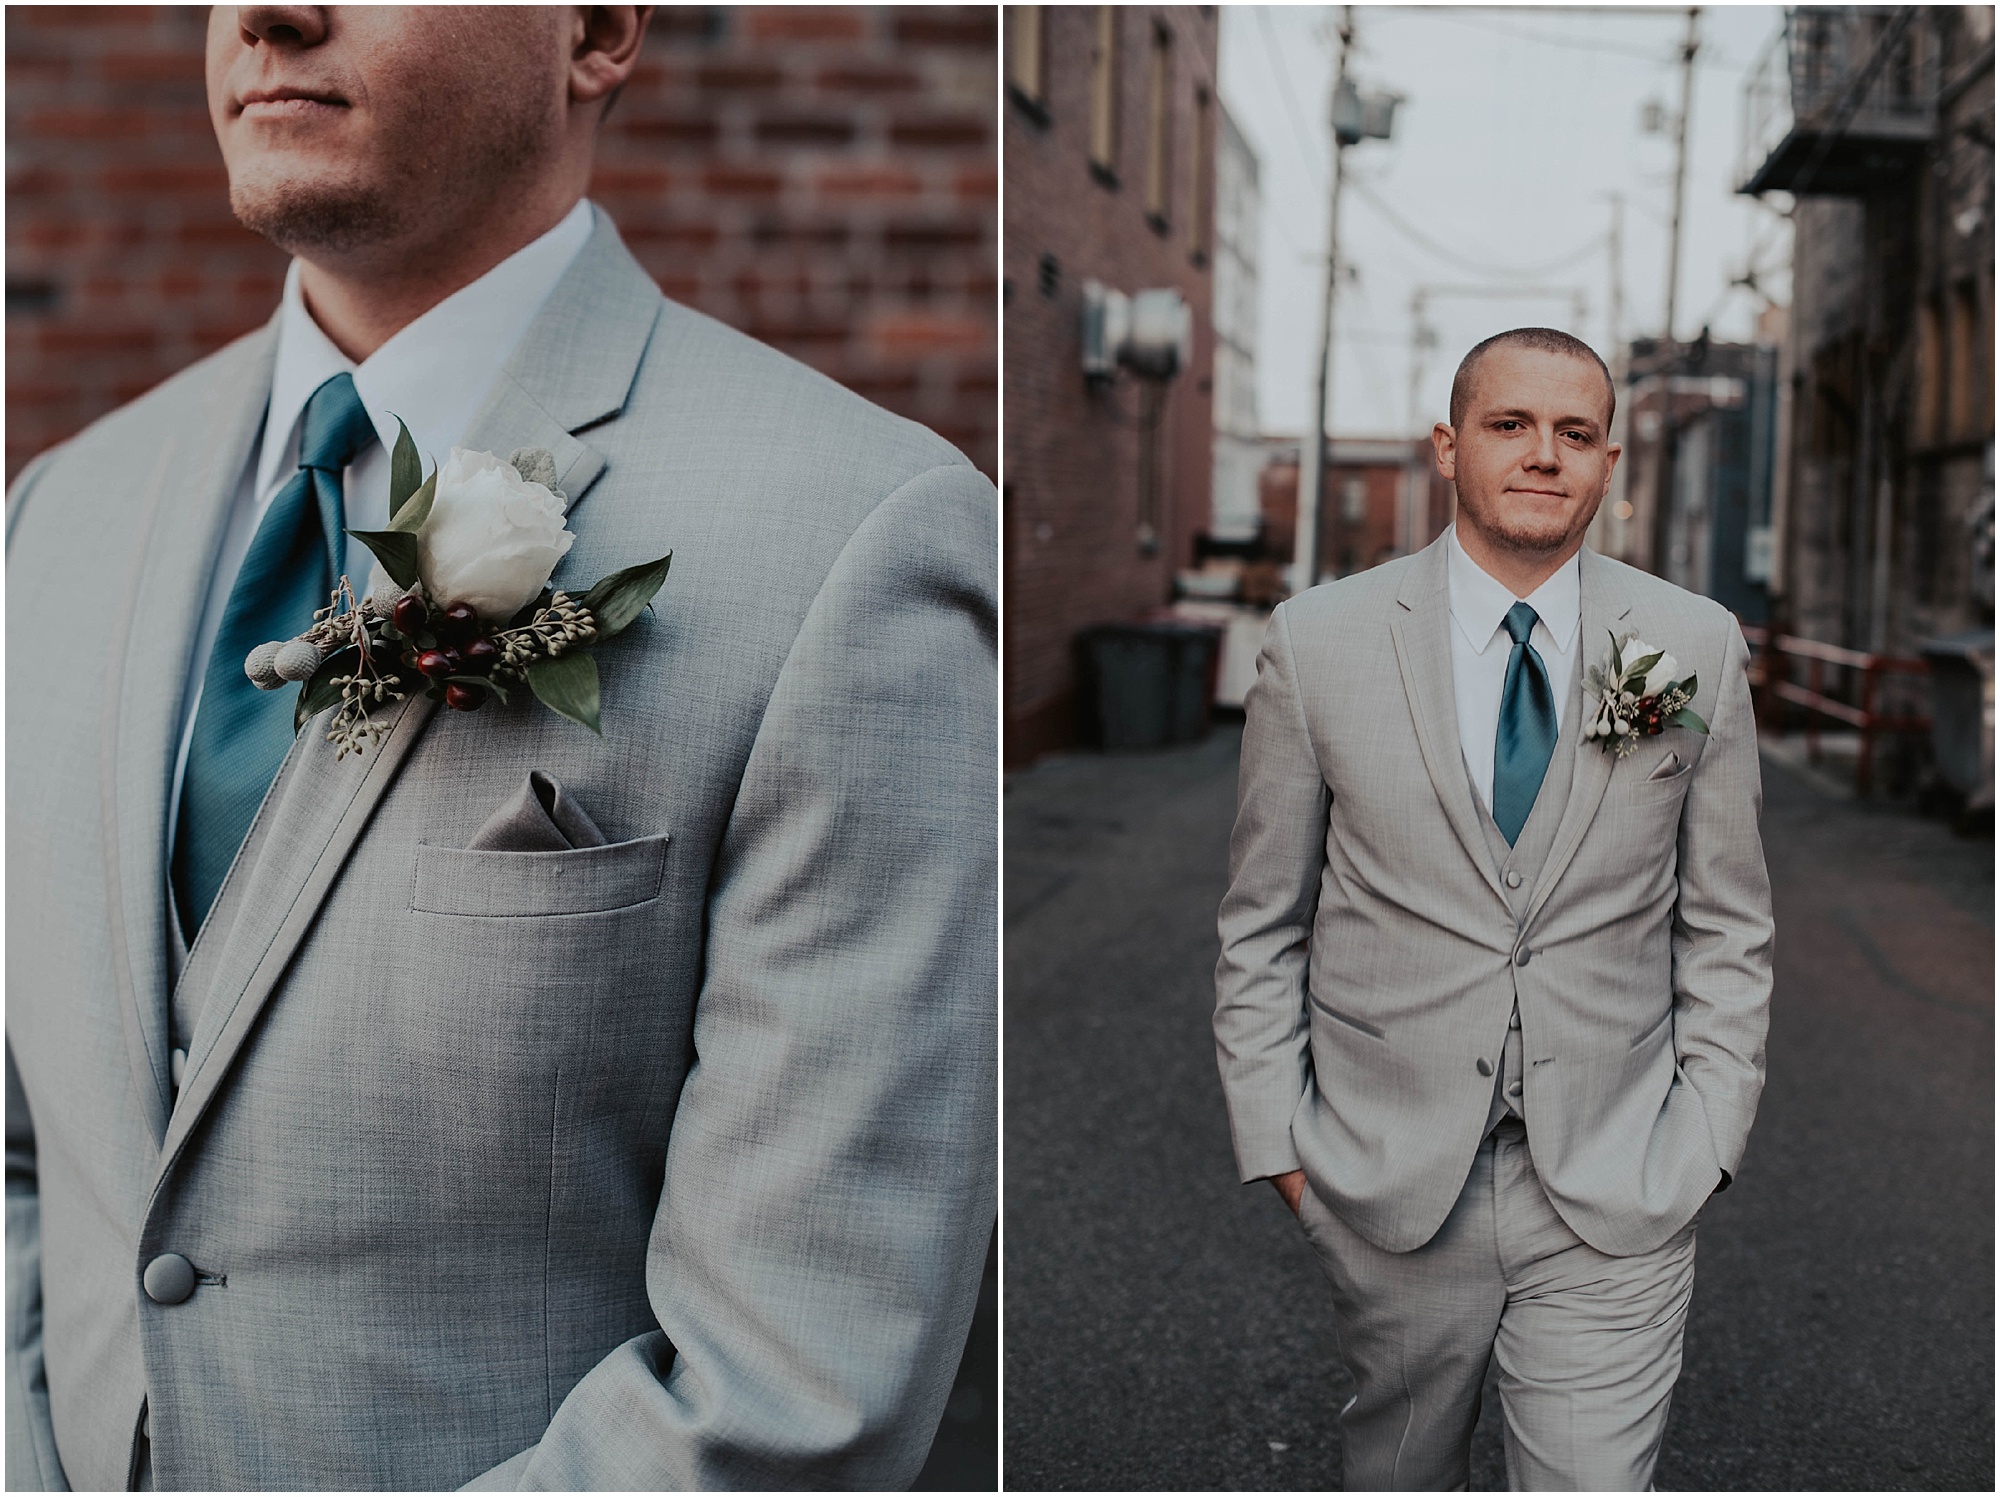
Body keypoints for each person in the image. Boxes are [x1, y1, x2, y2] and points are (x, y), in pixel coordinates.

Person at [6, 7, 995, 1490]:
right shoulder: (55, 513)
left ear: (595, 29)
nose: (269, 15)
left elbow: (797, 1377)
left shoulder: (857, 533)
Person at [1214, 328, 1772, 1489]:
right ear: (1446, 445)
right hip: (1385, 1182)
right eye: (1508, 424)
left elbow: (1726, 919)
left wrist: (1706, 1138)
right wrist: (1283, 1152)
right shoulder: (1317, 643)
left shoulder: (1684, 644)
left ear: (1607, 461)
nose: (1541, 454)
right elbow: (1262, 919)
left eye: (1574, 432)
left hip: (1619, 1178)